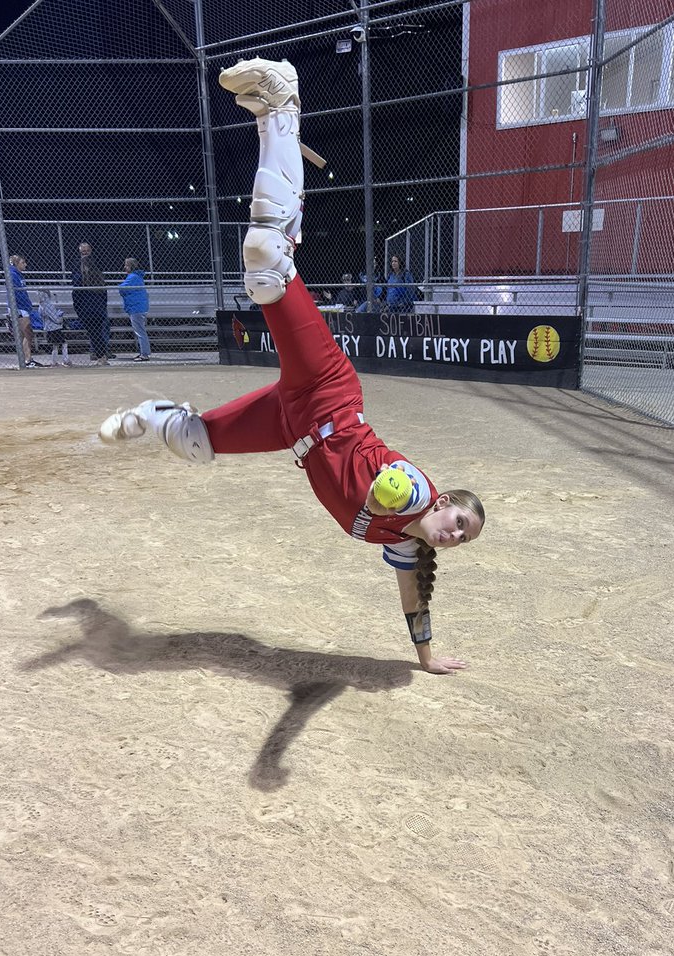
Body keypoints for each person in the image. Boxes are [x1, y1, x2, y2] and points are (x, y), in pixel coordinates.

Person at [98, 58, 484, 674]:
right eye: (458, 519)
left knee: (196, 443)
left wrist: (427, 656)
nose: (455, 533)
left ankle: (152, 414)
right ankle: (283, 101)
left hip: (292, 425)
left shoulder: (407, 543)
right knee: (266, 263)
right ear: (444, 501)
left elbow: (412, 596)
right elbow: (391, 489)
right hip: (327, 392)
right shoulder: (411, 492)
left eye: (463, 538)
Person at [71, 242, 109, 364]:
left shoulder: (80, 277)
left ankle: (101, 356)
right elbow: (104, 293)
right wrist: (103, 307)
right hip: (98, 309)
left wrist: (78, 309)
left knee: (94, 334)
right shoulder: (98, 276)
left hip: (87, 310)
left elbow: (76, 294)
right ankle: (102, 355)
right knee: (98, 333)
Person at [8, 254, 42, 368]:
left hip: (22, 307)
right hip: (19, 308)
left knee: (25, 334)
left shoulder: (18, 275)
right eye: (23, 263)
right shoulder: (13, 275)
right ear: (16, 263)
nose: (25, 265)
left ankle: (26, 360)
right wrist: (26, 305)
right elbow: (16, 294)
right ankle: (27, 359)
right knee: (27, 333)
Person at [118, 258, 151, 361]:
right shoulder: (136, 277)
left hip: (136, 308)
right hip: (138, 307)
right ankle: (143, 352)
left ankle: (144, 354)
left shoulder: (133, 277)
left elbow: (122, 289)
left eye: (127, 265)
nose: (125, 267)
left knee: (140, 332)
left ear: (131, 266)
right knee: (140, 331)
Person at [38, 289, 70, 366]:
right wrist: (61, 318)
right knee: (64, 343)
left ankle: (54, 361)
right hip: (54, 328)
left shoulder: (41, 306)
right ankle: (65, 360)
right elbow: (55, 318)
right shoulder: (48, 305)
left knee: (55, 345)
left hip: (49, 328)